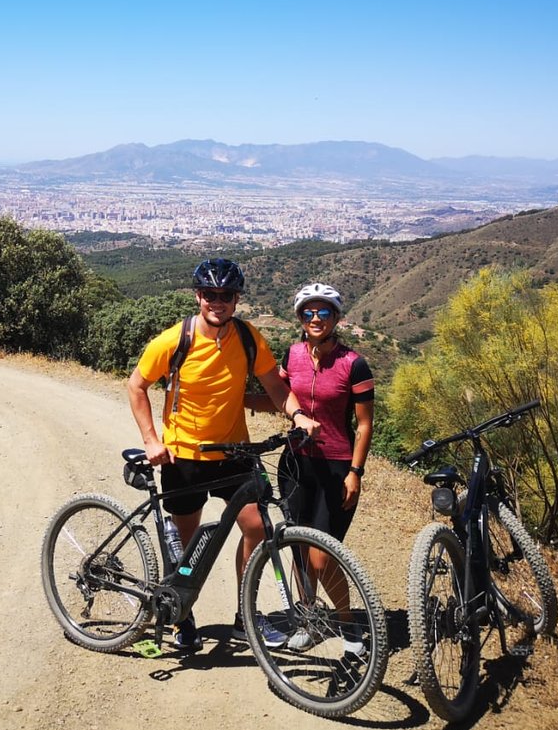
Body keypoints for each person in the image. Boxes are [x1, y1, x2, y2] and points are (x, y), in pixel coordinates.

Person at [127, 258, 320, 652]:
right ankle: (183, 617)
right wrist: (151, 439)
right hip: (184, 457)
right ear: (198, 296)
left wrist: (298, 414)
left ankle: (244, 616)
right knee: (188, 545)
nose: (218, 302)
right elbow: (136, 386)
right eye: (210, 294)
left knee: (256, 528)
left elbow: (274, 388)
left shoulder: (249, 338)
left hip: (234, 453)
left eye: (227, 295)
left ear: (237, 300)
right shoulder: (172, 341)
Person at [264, 282, 375, 652]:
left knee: (322, 554)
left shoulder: (353, 364)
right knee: (298, 549)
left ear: (336, 318)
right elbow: (279, 395)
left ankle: (347, 624)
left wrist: (355, 473)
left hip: (336, 466)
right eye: (308, 312)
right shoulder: (292, 354)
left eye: (323, 311)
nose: (315, 318)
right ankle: (309, 618)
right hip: (296, 464)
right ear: (299, 317)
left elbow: (364, 425)